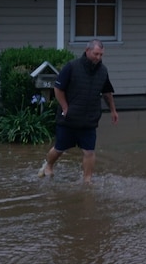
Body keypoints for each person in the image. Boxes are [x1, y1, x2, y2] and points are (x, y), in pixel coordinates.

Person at [38, 39, 119, 184]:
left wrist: (113, 110)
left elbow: (107, 93)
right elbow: (58, 88)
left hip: (89, 119)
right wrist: (64, 107)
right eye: (96, 54)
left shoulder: (103, 71)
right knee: (59, 149)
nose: (98, 58)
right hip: (68, 118)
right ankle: (49, 165)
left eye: (101, 55)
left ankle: (87, 180)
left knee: (89, 152)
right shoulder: (72, 67)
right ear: (87, 51)